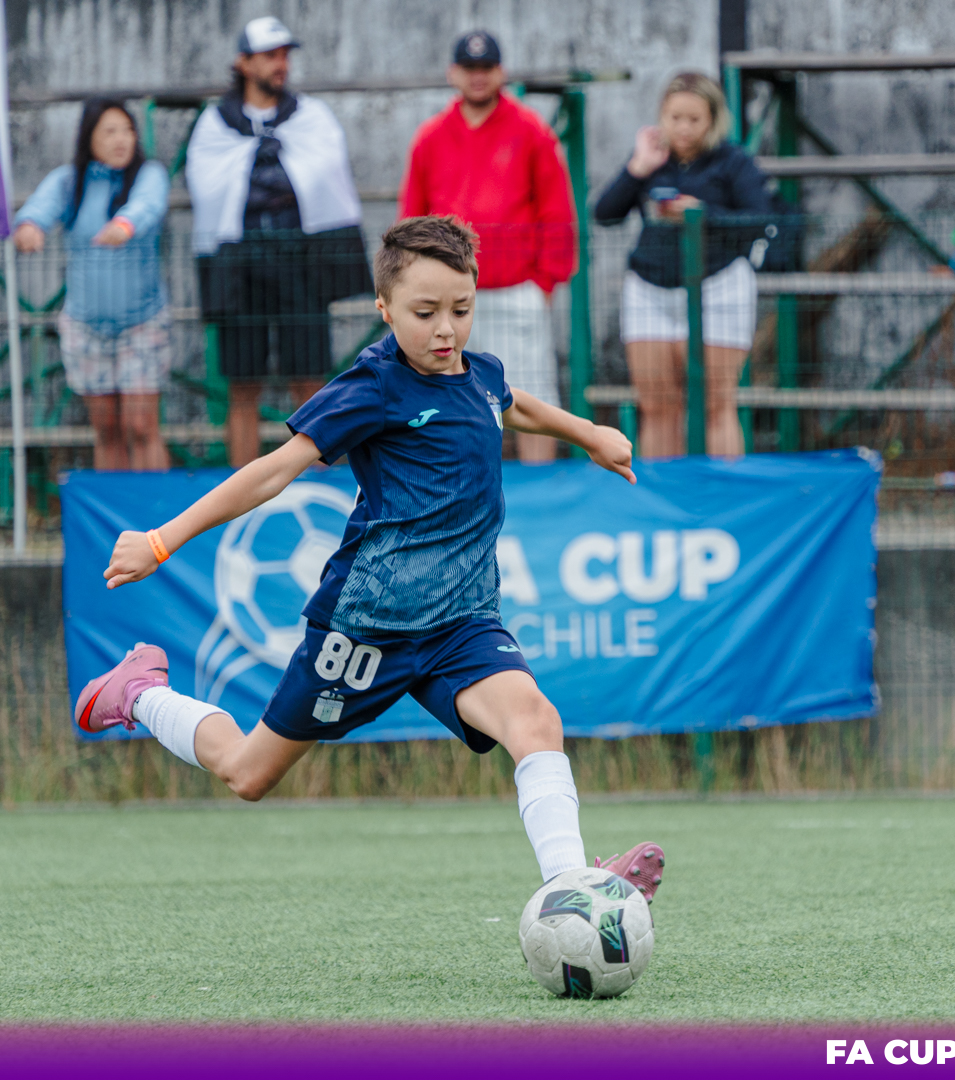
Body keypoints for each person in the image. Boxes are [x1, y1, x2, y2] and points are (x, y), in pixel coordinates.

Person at [72, 217, 666, 899]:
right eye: (425, 313)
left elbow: (512, 403)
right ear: (385, 309)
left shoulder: (478, 374)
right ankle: (141, 692)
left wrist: (589, 434)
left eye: (461, 309)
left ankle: (570, 888)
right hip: (363, 631)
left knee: (535, 720)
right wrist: (161, 540)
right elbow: (274, 471)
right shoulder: (374, 386)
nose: (446, 330)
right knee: (247, 773)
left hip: (461, 625)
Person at [187, 16, 370, 467]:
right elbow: (208, 185)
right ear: (244, 63)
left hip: (300, 261)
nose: (280, 64)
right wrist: (266, 179)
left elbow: (326, 177)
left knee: (309, 378)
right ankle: (240, 487)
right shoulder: (215, 124)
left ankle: (319, 484)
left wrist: (274, 179)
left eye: (285, 55)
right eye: (270, 55)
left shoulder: (311, 117)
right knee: (242, 384)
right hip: (239, 264)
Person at [399, 30, 577, 463]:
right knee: (445, 404)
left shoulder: (531, 131)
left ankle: (539, 492)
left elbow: (556, 211)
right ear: (453, 73)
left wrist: (544, 283)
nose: (478, 76)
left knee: (531, 399)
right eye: (469, 68)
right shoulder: (431, 136)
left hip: (516, 290)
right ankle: (453, 492)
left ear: (501, 72)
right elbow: (411, 217)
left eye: (486, 67)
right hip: (446, 300)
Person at [594, 72, 774, 459]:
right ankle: (663, 491)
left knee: (716, 404)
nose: (684, 128)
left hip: (718, 286)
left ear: (713, 119)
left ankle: (722, 488)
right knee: (658, 406)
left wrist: (702, 214)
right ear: (662, 116)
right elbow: (605, 213)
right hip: (650, 287)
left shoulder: (733, 161)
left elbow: (761, 220)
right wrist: (637, 168)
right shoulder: (652, 160)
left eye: (694, 119)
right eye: (675, 118)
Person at [14, 98, 171, 470]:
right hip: (85, 327)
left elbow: (149, 205)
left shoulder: (148, 174)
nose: (121, 140)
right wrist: (29, 227)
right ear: (89, 138)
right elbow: (39, 207)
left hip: (142, 322)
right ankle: (113, 508)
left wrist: (125, 224)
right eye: (110, 132)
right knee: (107, 429)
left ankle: (158, 507)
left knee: (141, 425)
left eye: (128, 130)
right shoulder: (69, 180)